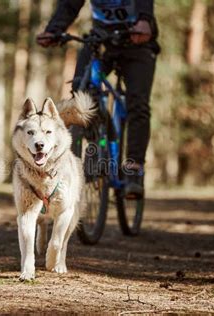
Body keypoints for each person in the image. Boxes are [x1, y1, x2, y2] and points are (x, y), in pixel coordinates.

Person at [36, 0, 159, 196]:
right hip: (102, 41)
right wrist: (53, 30)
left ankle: (134, 170)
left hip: (137, 40)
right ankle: (94, 147)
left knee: (138, 103)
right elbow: (69, 5)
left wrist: (145, 20)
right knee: (80, 88)